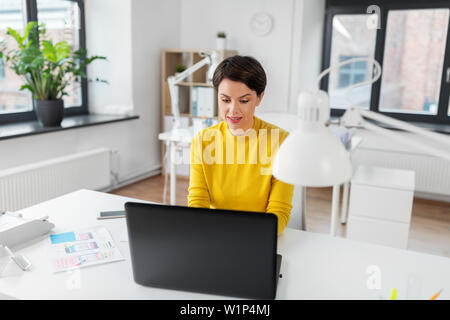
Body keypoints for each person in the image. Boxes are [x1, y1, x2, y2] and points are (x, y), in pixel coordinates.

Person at [187, 55, 294, 235]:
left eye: (244, 101)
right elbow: (198, 201)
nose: (233, 110)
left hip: (259, 236)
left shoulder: (282, 142)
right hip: (214, 234)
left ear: (259, 98)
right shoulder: (203, 140)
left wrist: (249, 238)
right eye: (225, 100)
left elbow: (279, 211)